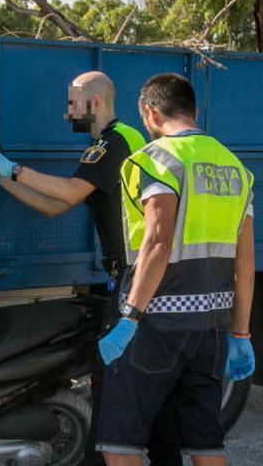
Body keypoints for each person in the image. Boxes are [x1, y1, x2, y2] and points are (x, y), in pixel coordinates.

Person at [0, 71, 181, 466]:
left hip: (135, 279)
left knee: (112, 387)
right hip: (135, 276)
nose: (68, 113)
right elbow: (56, 207)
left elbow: (66, 192)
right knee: (136, 385)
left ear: (94, 102)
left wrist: (12, 169)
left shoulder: (115, 142)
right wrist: (1, 182)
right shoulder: (121, 140)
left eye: (72, 103)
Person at [96, 73, 256, 466]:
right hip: (212, 330)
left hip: (156, 324)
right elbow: (246, 260)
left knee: (121, 444)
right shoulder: (235, 167)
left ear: (150, 113)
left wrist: (130, 317)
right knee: (206, 443)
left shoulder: (152, 160)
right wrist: (241, 332)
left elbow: (157, 242)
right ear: (194, 110)